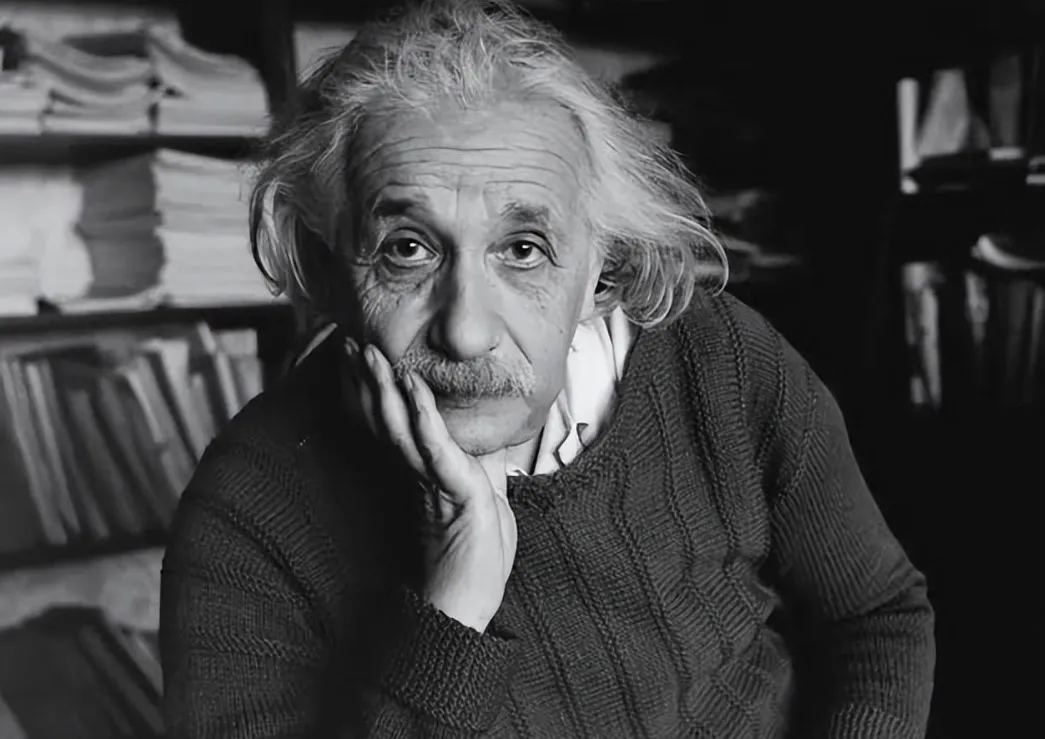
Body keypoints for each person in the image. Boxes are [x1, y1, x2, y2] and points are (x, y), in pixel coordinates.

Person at [159, 1, 935, 736]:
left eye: (523, 250)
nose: (465, 333)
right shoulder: (247, 510)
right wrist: (454, 603)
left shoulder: (718, 363)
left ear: (602, 271)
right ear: (329, 270)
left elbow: (875, 616)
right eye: (407, 249)